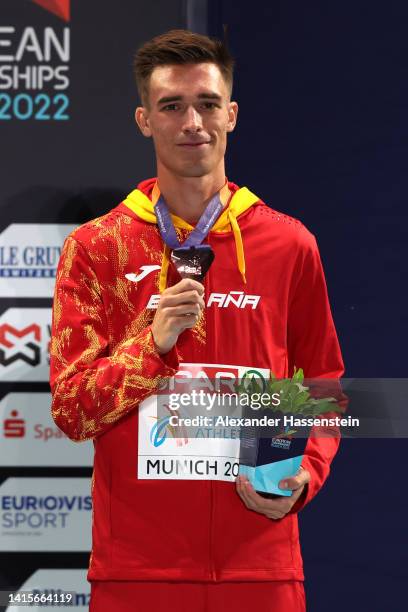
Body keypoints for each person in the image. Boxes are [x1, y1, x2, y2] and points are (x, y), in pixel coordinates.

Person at [50, 29, 344, 612]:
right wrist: (149, 348)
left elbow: (321, 386)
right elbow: (72, 410)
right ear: (143, 119)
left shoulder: (289, 245)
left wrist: (304, 473)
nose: (193, 122)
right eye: (172, 106)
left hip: (261, 564)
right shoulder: (96, 248)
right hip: (135, 571)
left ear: (231, 114)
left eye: (208, 104)